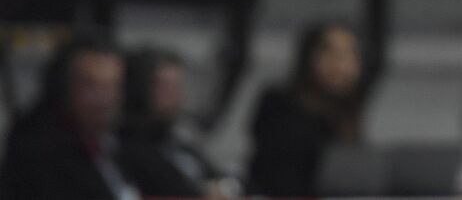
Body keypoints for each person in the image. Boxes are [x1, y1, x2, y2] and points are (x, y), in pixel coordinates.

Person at [0, 33, 138, 200]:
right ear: (63, 87)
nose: (104, 99)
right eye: (90, 85)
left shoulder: (121, 142)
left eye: (112, 86)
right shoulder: (38, 153)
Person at [246, 21, 366, 197]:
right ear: (309, 57)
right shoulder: (280, 106)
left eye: (350, 55)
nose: (342, 65)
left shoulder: (346, 112)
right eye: (332, 53)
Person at [118, 47, 232, 198]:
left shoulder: (176, 141)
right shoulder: (129, 150)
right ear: (140, 90)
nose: (177, 97)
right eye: (166, 88)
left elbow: (218, 176)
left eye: (178, 87)